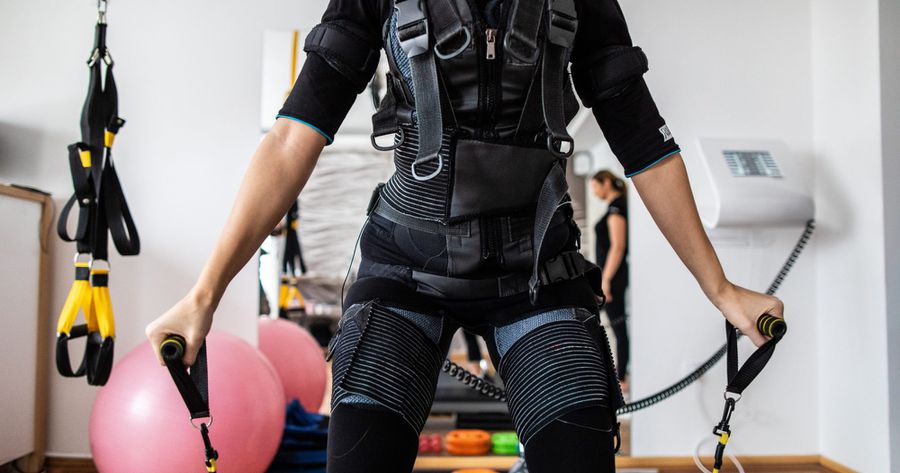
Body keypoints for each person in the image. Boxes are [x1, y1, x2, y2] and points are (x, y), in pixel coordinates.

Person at [145, 1, 784, 472]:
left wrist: (720, 288)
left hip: (538, 274)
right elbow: (291, 138)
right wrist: (205, 292)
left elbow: (645, 142)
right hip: (405, 272)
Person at [591, 170, 630, 391]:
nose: (594, 191)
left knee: (618, 327)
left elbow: (618, 246)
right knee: (614, 327)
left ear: (606, 183)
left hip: (612, 279)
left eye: (595, 186)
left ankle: (621, 378)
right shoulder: (616, 206)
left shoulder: (617, 208)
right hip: (611, 278)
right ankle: (619, 375)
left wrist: (605, 280)